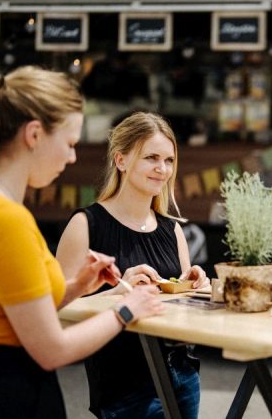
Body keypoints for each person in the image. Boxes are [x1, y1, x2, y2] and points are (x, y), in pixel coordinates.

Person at [0, 66, 163, 419]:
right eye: (70, 143)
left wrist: (78, 285)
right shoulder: (6, 219)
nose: (73, 157)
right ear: (34, 134)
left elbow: (10, 309)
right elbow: (52, 349)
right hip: (1, 396)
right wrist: (127, 310)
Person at [56, 112, 209, 419]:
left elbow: (177, 313)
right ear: (121, 160)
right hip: (122, 385)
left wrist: (196, 291)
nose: (162, 169)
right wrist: (115, 294)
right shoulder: (86, 225)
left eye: (168, 160)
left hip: (183, 375)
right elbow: (55, 313)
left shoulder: (173, 229)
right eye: (151, 157)